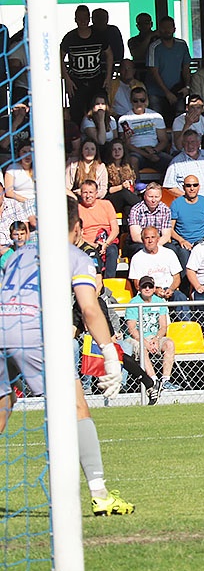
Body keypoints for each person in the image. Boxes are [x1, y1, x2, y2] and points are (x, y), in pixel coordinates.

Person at [3, 198, 132, 514]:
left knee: (5, 403)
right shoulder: (76, 257)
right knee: (76, 405)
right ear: (77, 227)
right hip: (32, 332)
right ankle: (100, 494)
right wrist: (110, 354)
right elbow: (89, 308)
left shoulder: (16, 255)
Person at [124, 274, 179, 394]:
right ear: (139, 288)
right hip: (137, 338)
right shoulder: (133, 303)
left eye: (150, 286)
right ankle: (153, 382)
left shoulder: (159, 302)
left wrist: (156, 338)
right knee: (143, 349)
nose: (147, 289)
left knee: (169, 344)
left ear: (154, 288)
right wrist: (145, 342)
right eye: (144, 286)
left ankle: (165, 381)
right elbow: (132, 329)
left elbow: (163, 326)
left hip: (154, 336)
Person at [60, 5, 113, 124]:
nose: (83, 21)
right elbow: (60, 57)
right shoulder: (70, 38)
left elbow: (109, 54)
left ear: (89, 19)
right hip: (76, 82)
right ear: (75, 20)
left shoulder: (99, 36)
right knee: (76, 114)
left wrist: (108, 77)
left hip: (96, 80)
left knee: (99, 111)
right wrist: (67, 79)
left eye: (85, 18)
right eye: (80, 18)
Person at [127, 226, 190, 319]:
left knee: (181, 297)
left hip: (169, 290)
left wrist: (171, 289)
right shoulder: (137, 258)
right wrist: (154, 290)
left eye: (153, 237)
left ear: (158, 239)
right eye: (147, 238)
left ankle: (185, 328)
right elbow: (137, 284)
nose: (150, 240)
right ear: (142, 240)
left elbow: (177, 277)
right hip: (149, 292)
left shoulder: (169, 253)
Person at [145, 16, 192, 125]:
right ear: (159, 30)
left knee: (180, 119)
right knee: (157, 120)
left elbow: (186, 68)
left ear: (174, 29)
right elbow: (154, 72)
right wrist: (167, 93)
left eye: (169, 27)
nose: (166, 30)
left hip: (177, 90)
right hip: (156, 92)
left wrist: (187, 86)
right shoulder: (154, 47)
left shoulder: (182, 45)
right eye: (163, 28)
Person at [117, 86, 171, 172]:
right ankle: (136, 185)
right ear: (131, 101)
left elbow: (164, 140)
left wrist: (153, 151)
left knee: (171, 162)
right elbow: (126, 145)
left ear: (146, 100)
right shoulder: (124, 119)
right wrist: (146, 154)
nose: (139, 103)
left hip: (154, 150)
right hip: (136, 152)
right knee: (132, 161)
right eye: (135, 100)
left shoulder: (156, 116)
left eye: (142, 100)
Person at [169, 174, 204, 269]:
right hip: (182, 242)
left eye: (195, 185)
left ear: (199, 187)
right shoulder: (176, 203)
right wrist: (181, 240)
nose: (192, 188)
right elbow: (170, 228)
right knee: (184, 255)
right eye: (188, 185)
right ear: (183, 187)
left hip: (201, 241)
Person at [77, 180, 119, 277]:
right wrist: (93, 245)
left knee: (112, 251)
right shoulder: (77, 208)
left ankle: (109, 283)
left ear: (96, 193)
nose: (88, 196)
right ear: (80, 193)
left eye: (91, 192)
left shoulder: (106, 204)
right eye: (85, 192)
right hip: (87, 243)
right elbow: (76, 234)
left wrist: (106, 244)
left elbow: (115, 229)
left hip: (107, 241)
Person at [163, 130, 204, 199]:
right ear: (183, 144)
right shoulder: (176, 163)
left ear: (199, 143)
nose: (190, 145)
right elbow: (169, 186)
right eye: (186, 142)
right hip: (190, 203)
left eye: (192, 142)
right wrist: (189, 198)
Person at [126, 183, 172, 257]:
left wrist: (155, 245)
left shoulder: (165, 210)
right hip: (140, 242)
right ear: (145, 196)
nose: (153, 200)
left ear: (161, 196)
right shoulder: (136, 210)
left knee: (172, 249)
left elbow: (166, 235)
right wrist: (150, 244)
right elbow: (135, 236)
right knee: (141, 250)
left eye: (156, 197)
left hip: (158, 241)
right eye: (150, 197)